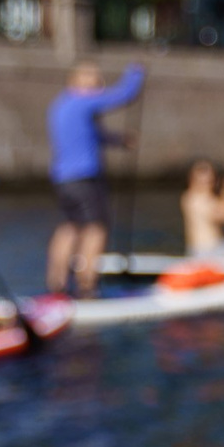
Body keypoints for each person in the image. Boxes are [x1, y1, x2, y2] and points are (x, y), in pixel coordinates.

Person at [45, 61, 146, 296]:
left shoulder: (62, 105)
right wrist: (136, 73)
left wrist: (119, 140)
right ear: (76, 81)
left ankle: (55, 284)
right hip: (84, 179)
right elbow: (124, 94)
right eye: (93, 78)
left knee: (71, 226)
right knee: (96, 229)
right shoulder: (83, 100)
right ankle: (87, 286)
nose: (99, 84)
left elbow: (91, 135)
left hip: (63, 180)